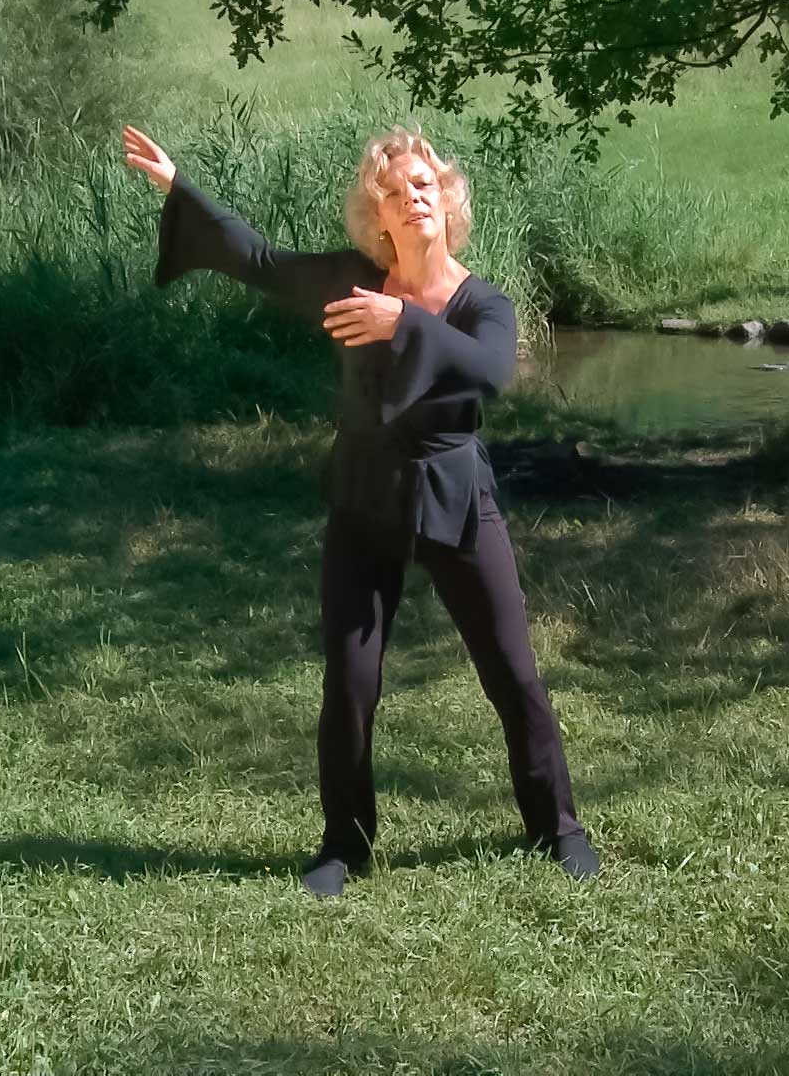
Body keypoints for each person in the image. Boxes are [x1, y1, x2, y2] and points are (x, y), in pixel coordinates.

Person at [122, 123, 599, 897]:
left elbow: (489, 370)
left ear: (447, 199)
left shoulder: (483, 302)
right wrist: (180, 188)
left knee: (512, 673)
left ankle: (559, 828)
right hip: (363, 495)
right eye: (394, 191)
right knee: (349, 680)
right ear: (378, 215)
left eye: (424, 185)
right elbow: (261, 261)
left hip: (454, 497)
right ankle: (344, 845)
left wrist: (402, 323)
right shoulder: (352, 279)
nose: (412, 198)